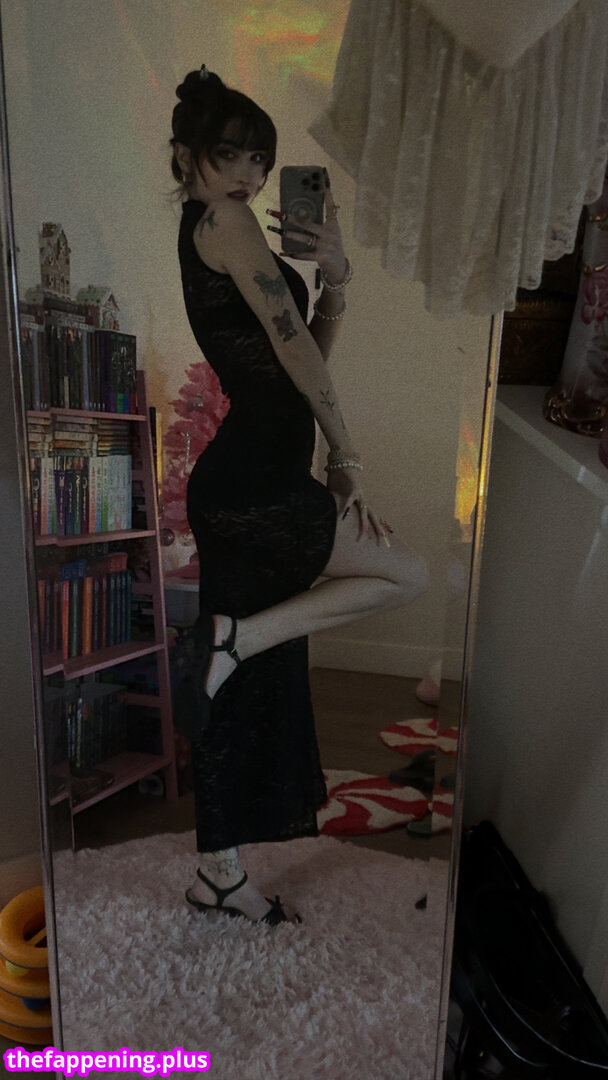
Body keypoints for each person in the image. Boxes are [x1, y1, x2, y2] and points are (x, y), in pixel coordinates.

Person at [170, 65, 428, 926]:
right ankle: (234, 641)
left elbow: (301, 350)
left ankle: (218, 872)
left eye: (261, 159)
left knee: (243, 688)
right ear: (188, 156)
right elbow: (295, 356)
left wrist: (339, 279)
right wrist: (346, 454)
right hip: (255, 481)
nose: (249, 174)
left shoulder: (211, 228)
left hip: (252, 474)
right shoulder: (224, 221)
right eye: (231, 154)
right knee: (407, 576)